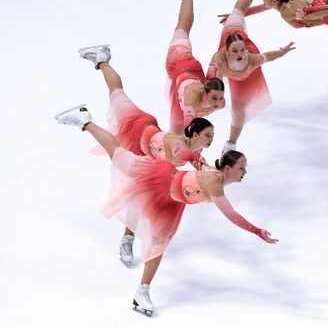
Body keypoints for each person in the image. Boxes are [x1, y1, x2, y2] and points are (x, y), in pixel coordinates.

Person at [55, 105, 278, 316]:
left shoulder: (211, 171)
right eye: (242, 168)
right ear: (228, 169)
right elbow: (232, 215)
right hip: (161, 177)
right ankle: (85, 121)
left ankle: (142, 292)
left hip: (173, 202)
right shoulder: (214, 183)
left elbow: (197, 160)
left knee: (159, 242)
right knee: (119, 155)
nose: (245, 172)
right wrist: (258, 231)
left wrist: (193, 155)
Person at [78, 45, 216, 266]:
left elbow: (197, 167)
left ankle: (128, 237)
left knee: (134, 194)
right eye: (208, 135)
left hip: (140, 153)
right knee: (117, 92)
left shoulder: (196, 151)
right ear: (196, 133)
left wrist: (208, 170)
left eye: (212, 136)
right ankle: (103, 60)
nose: (211, 140)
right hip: (136, 124)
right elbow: (180, 153)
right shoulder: (180, 145)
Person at [202, 0, 295, 154]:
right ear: (226, 51)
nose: (239, 55)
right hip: (231, 32)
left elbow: (269, 56)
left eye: (240, 51)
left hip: (242, 48)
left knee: (239, 110)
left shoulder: (251, 58)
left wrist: (283, 50)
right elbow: (210, 79)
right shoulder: (218, 61)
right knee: (237, 12)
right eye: (235, 52)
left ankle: (230, 144)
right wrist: (214, 99)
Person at [168, 0, 226, 134]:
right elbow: (188, 126)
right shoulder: (193, 96)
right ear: (205, 92)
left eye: (220, 98)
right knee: (182, 29)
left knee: (182, 30)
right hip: (180, 62)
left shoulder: (220, 102)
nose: (217, 102)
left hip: (188, 73)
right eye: (214, 98)